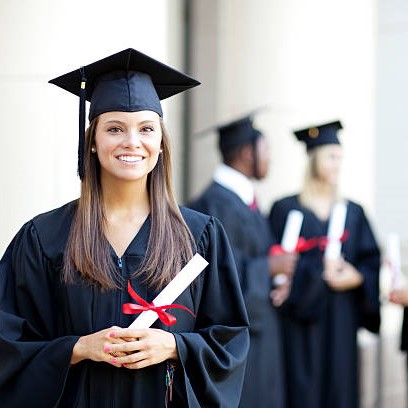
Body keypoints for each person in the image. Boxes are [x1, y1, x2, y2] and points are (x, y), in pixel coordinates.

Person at [0, 48, 250, 408]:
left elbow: (230, 342)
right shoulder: (44, 238)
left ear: (161, 145)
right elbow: (8, 345)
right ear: (93, 142)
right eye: (114, 128)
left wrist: (175, 346)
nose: (132, 142)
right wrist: (78, 348)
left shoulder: (200, 237)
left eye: (146, 129)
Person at [268, 120, 381, 408]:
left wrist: (356, 278)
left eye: (340, 158)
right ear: (315, 158)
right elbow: (271, 265)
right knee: (300, 392)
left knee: (341, 390)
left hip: (341, 320)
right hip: (299, 325)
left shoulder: (353, 212)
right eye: (331, 157)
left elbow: (371, 262)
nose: (337, 165)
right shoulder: (285, 209)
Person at [189, 114, 297, 408]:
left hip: (259, 335)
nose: (269, 159)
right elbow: (220, 280)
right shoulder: (218, 205)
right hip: (238, 345)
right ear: (248, 153)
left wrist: (278, 281)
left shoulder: (242, 200)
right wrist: (269, 269)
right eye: (266, 150)